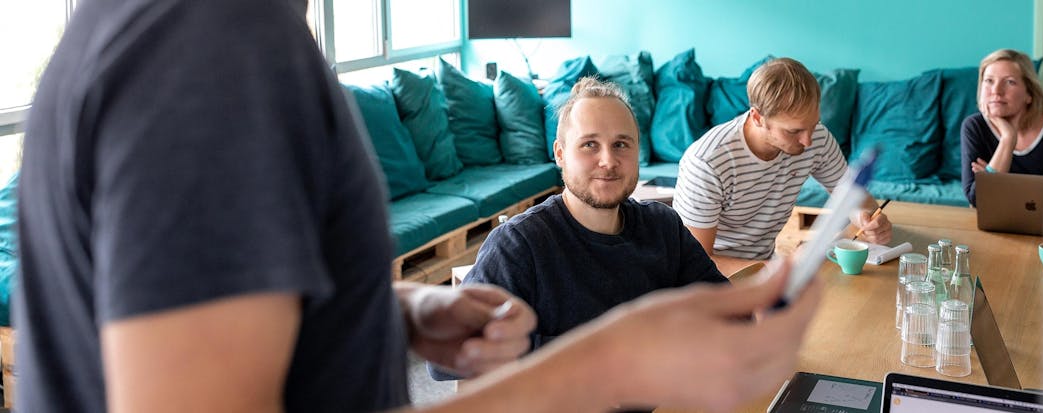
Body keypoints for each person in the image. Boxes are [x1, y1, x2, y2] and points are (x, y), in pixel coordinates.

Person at [15, 1, 824, 412]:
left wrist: (385, 310)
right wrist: (606, 363)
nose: (608, 162)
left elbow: (174, 306)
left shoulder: (170, 29)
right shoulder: (210, 45)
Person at [460, 77, 728, 356]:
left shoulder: (663, 226)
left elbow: (725, 308)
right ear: (560, 154)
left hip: (668, 396)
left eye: (622, 144)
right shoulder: (518, 245)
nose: (609, 161)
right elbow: (460, 352)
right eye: (589, 145)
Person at [673, 58, 892, 275]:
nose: (807, 141)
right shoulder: (707, 162)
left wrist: (867, 219)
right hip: (711, 283)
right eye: (793, 131)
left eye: (813, 125)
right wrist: (783, 268)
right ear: (758, 117)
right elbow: (694, 264)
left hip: (766, 270)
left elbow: (858, 201)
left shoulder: (817, 138)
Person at [960, 49, 1043, 206]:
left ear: (1029, 94)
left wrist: (993, 178)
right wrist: (1008, 138)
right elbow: (978, 199)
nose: (996, 91)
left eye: (1009, 82)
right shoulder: (974, 127)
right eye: (989, 81)